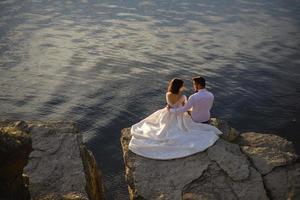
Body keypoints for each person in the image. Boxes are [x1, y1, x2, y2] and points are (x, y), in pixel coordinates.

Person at [128, 78, 222, 160]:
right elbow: (184, 108)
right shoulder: (183, 96)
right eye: (182, 85)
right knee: (185, 128)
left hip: (167, 113)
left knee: (157, 125)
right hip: (180, 116)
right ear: (180, 86)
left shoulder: (168, 94)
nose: (184, 86)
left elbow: (170, 105)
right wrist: (189, 111)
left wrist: (170, 110)